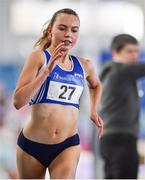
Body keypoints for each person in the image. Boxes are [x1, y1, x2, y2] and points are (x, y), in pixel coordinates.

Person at [13, 8, 103, 179]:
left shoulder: (85, 65)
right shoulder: (38, 58)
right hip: (32, 145)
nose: (68, 34)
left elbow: (96, 85)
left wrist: (93, 110)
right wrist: (46, 73)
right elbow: (18, 101)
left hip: (67, 144)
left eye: (74, 30)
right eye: (62, 28)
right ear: (50, 31)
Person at [99, 34, 145, 179]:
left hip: (114, 138)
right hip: (120, 138)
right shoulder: (119, 71)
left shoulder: (113, 72)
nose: (135, 55)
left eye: (137, 51)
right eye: (129, 51)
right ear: (115, 53)